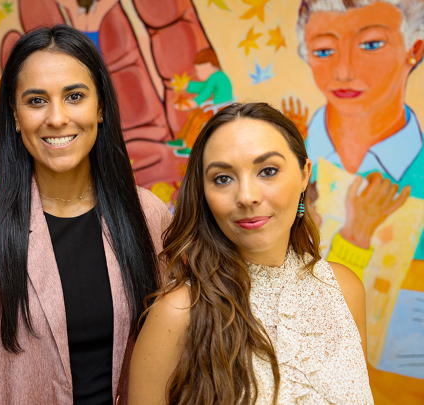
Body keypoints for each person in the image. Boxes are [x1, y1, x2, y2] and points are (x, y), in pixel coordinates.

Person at [0, 25, 171, 404]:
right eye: (36, 101)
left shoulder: (148, 216)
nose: (57, 118)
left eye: (75, 96)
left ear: (100, 109)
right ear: (15, 116)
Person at [129, 103, 373, 404]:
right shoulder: (178, 312)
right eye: (222, 178)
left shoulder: (344, 289)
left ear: (303, 175)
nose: (246, 196)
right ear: (204, 194)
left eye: (268, 171)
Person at [291, 1, 424, 400]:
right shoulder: (278, 163)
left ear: (414, 50)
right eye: (324, 51)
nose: (344, 71)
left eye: (370, 45)